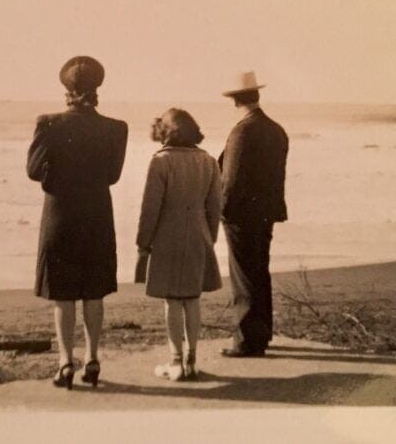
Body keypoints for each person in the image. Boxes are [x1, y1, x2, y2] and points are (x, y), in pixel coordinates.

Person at [27, 56, 128, 390]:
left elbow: (33, 171)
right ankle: (93, 358)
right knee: (93, 291)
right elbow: (112, 175)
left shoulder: (48, 123)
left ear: (66, 91)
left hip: (60, 215)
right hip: (97, 214)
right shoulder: (117, 127)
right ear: (97, 88)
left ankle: (65, 362)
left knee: (63, 293)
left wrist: (57, 176)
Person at [136, 109, 222, 381]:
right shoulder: (209, 161)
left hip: (167, 237)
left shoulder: (160, 161)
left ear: (166, 132)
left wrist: (143, 244)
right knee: (192, 299)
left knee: (172, 300)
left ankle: (175, 362)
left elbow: (150, 209)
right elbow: (215, 208)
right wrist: (210, 238)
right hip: (199, 235)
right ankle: (192, 360)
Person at [218, 71, 288, 358]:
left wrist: (220, 212)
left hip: (241, 215)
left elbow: (230, 181)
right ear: (256, 95)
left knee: (244, 277)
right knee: (259, 272)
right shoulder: (276, 129)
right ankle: (261, 334)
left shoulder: (242, 131)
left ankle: (247, 340)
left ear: (235, 100)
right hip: (266, 212)